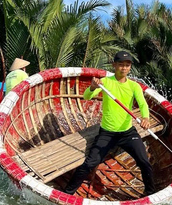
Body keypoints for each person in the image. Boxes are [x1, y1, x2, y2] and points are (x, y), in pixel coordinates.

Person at [64, 51, 155, 196]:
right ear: (114, 65)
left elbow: (143, 104)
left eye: (127, 65)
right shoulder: (105, 82)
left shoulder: (134, 86)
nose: (124, 68)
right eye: (120, 65)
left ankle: (150, 193)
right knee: (90, 163)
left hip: (127, 132)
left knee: (144, 161)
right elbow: (86, 96)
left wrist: (145, 118)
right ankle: (67, 193)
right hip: (107, 133)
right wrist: (93, 87)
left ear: (130, 67)